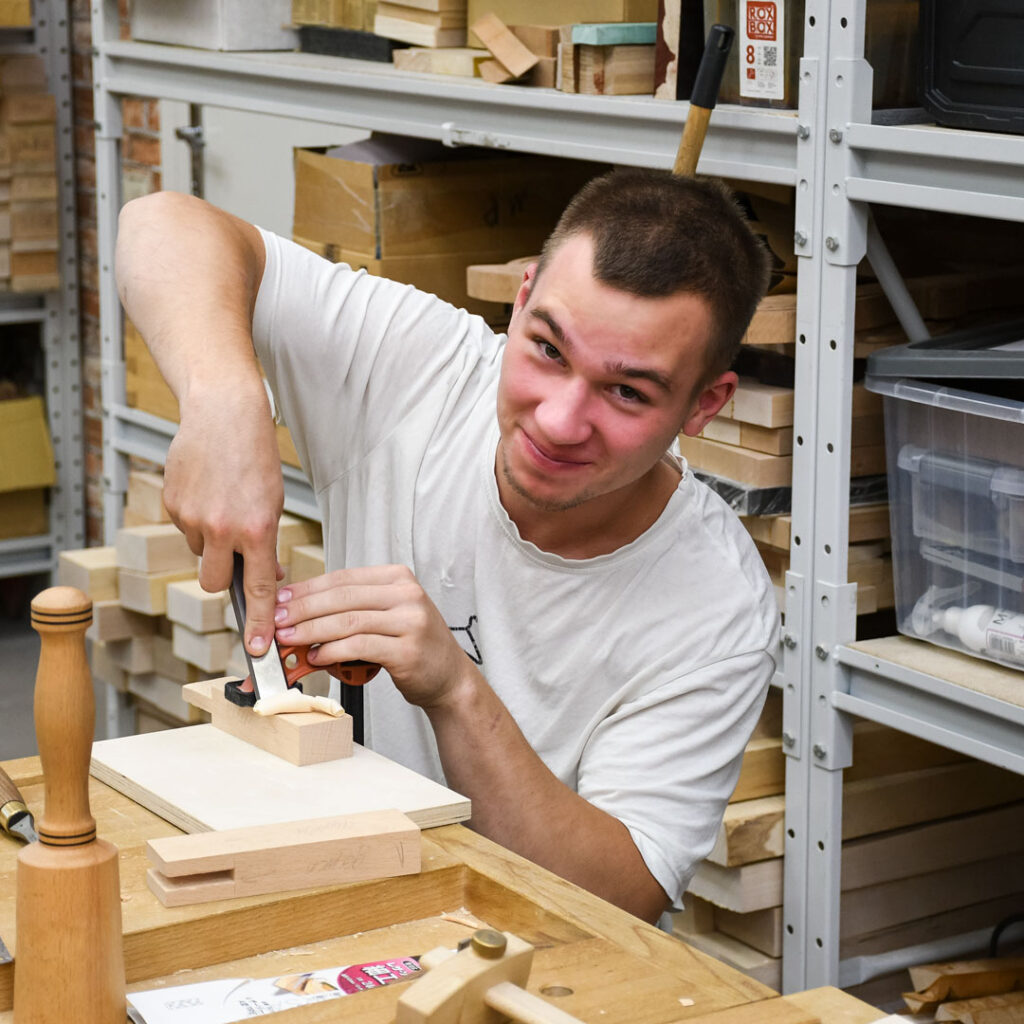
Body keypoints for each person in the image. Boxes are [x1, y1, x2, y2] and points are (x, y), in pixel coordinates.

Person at [115, 167, 779, 924]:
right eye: (548, 350)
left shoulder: (715, 605)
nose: (560, 420)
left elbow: (619, 898)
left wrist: (455, 690)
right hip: (354, 902)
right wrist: (225, 399)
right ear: (522, 298)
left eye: (627, 392)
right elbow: (159, 224)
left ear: (705, 405)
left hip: (541, 967)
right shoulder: (424, 369)